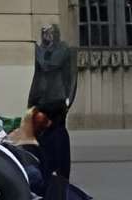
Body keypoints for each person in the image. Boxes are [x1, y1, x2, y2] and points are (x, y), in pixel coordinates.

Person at [28, 21, 79, 200]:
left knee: (57, 147)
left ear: (56, 34)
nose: (46, 36)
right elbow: (37, 75)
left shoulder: (64, 50)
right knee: (42, 152)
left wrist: (66, 101)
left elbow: (70, 78)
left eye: (49, 33)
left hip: (56, 104)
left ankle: (59, 185)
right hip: (41, 102)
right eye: (44, 33)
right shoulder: (40, 51)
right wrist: (32, 102)